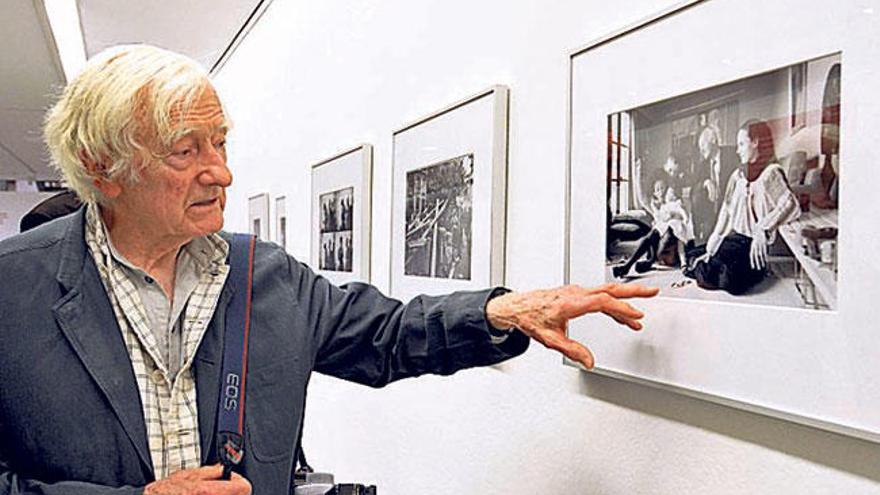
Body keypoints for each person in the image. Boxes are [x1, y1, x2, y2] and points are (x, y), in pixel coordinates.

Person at [0, 45, 657, 494]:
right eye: (186, 149)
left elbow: (392, 334)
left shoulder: (266, 277)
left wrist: (505, 311)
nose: (221, 171)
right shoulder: (11, 290)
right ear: (100, 166)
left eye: (221, 141)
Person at [684, 119, 800, 294]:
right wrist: (713, 244)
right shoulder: (737, 176)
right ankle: (709, 261)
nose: (737, 150)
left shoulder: (771, 173)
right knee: (695, 255)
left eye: (741, 144)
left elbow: (790, 203)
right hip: (735, 238)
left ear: (755, 142)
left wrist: (763, 228)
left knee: (731, 280)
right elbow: (726, 210)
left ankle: (712, 265)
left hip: (753, 243)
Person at [612, 157, 693, 278]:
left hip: (673, 249)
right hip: (658, 247)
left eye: (663, 188)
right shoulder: (655, 207)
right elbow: (642, 198)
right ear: (654, 192)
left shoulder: (672, 202)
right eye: (657, 189)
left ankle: (649, 261)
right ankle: (626, 267)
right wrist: (637, 174)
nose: (661, 191)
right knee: (652, 234)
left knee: (668, 229)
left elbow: (683, 223)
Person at [690, 126, 738, 244]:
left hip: (732, 207)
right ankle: (697, 236)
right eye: (700, 147)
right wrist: (705, 183)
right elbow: (693, 190)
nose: (701, 149)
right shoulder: (703, 165)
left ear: (713, 141)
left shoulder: (731, 154)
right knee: (697, 195)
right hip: (712, 212)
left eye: (703, 144)